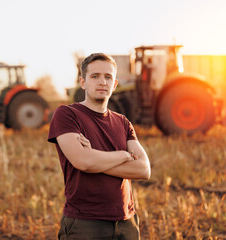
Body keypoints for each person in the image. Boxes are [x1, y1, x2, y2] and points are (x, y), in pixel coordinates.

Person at [48, 53, 151, 240]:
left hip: (126, 222)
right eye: (95, 76)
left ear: (115, 84)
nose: (102, 82)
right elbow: (83, 162)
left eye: (108, 77)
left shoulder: (123, 122)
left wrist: (95, 157)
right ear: (83, 82)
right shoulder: (67, 115)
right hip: (85, 223)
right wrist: (124, 155)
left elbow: (144, 170)